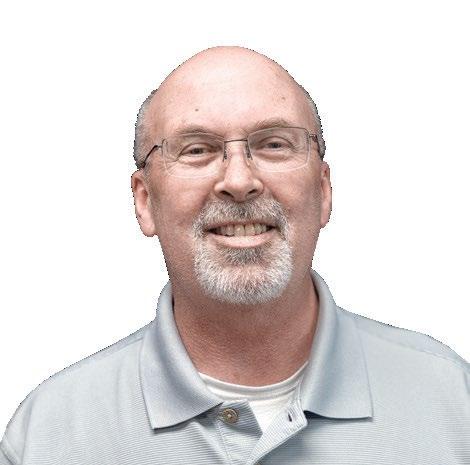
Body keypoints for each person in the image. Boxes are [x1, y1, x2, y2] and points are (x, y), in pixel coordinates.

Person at [1, 46, 468, 465]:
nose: (240, 181)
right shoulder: (49, 435)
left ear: (324, 191)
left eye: (274, 144)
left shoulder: (453, 403)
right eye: (197, 150)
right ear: (144, 201)